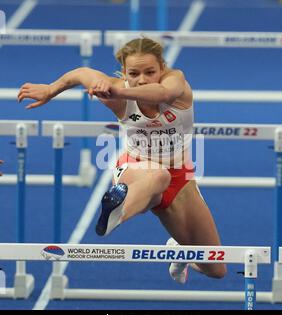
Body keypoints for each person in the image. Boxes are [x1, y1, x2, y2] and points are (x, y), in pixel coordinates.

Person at [18, 37, 226, 283]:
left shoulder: (174, 82)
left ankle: (179, 253)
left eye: (150, 72)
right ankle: (117, 211)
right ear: (125, 72)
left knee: (216, 269)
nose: (142, 79)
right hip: (134, 171)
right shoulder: (116, 94)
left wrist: (118, 89)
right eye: (134, 73)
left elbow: (164, 91)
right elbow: (82, 73)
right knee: (159, 175)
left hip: (181, 179)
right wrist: (51, 90)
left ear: (162, 67)